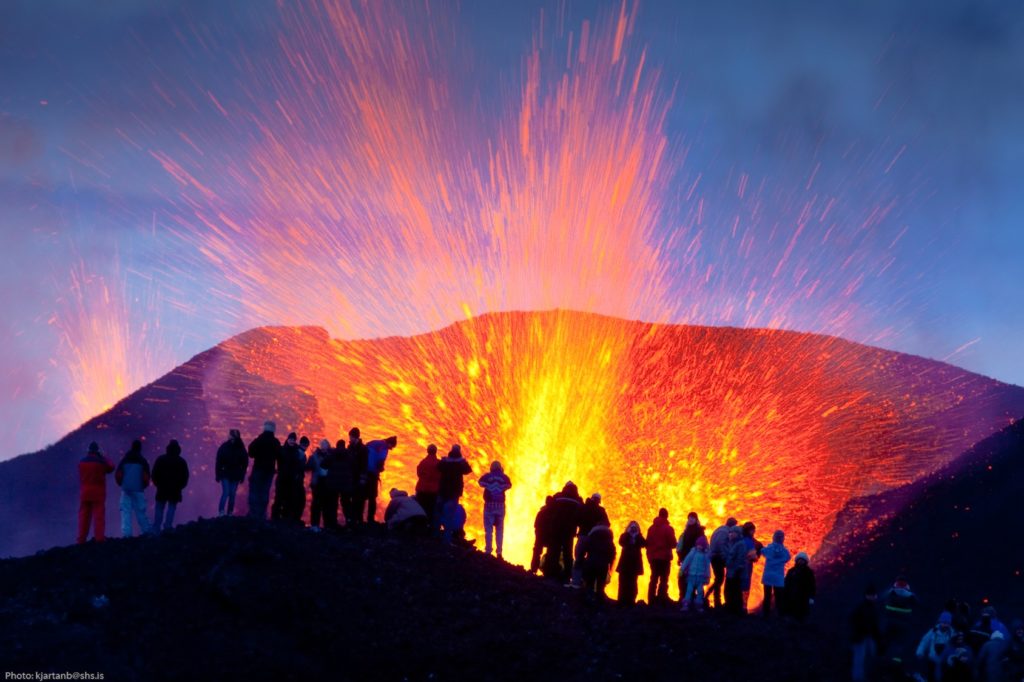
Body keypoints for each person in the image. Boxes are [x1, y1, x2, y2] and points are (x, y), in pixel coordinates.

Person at [77, 441, 114, 543]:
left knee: (84, 517)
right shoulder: (101, 463)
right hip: (98, 493)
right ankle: (99, 539)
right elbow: (111, 467)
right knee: (98, 517)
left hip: (85, 493)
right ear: (98, 451)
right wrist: (103, 456)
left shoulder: (81, 462)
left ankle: (81, 539)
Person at [115, 439, 151, 537]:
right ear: (140, 448)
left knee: (126, 512)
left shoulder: (125, 459)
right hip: (138, 490)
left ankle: (127, 535)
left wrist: (122, 484)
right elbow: (147, 477)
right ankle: (146, 532)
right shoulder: (142, 461)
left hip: (126, 489)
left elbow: (118, 475)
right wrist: (143, 486)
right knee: (141, 511)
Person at [572, 493, 610, 586]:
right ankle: (585, 583)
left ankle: (577, 581)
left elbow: (576, 519)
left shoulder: (584, 507)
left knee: (579, 558)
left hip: (584, 536)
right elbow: (607, 524)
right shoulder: (600, 511)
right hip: (593, 538)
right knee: (588, 560)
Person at [881, 576, 918, 669]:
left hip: (889, 623)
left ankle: (884, 663)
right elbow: (919, 605)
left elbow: (881, 599)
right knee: (901, 644)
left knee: (887, 642)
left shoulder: (891, 591)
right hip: (904, 625)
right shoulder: (910, 595)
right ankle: (897, 664)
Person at [152, 440, 189, 533]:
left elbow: (154, 474)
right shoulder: (181, 462)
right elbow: (185, 476)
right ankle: (167, 526)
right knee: (171, 507)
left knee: (159, 507)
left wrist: (158, 484)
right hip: (175, 490)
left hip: (162, 488)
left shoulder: (161, 459)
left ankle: (157, 527)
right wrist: (180, 486)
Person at [549, 482, 583, 584]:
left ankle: (551, 574)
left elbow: (550, 508)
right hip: (569, 531)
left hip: (556, 529)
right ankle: (567, 576)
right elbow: (581, 515)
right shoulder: (578, 500)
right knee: (568, 554)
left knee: (554, 551)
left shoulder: (558, 496)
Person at [247, 421, 281, 520]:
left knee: (254, 491)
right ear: (274, 429)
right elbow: (280, 456)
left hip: (258, 469)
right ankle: (262, 514)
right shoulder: (276, 442)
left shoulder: (259, 440)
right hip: (269, 471)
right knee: (265, 491)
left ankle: (253, 513)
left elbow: (251, 453)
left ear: (264, 428)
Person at [478, 461, 512, 558]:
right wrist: (500, 487)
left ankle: (488, 550)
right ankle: (499, 552)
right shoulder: (504, 477)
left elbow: (480, 482)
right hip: (500, 506)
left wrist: (489, 486)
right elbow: (509, 485)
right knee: (499, 529)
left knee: (488, 529)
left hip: (489, 505)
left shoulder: (488, 476)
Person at [437, 444, 472, 537]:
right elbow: (468, 470)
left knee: (438, 512)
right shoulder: (460, 463)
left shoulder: (445, 461)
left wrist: (443, 460)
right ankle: (447, 538)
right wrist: (463, 461)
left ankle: (436, 534)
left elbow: (438, 467)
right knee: (450, 515)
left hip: (443, 490)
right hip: (454, 492)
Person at [363, 436, 398, 524]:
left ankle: (359, 518)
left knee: (362, 497)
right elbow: (380, 460)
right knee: (372, 497)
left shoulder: (373, 442)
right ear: (389, 443)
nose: (391, 449)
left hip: (364, 472)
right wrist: (381, 468)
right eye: (392, 447)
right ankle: (370, 519)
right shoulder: (384, 447)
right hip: (372, 474)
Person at [850, 584, 881, 682]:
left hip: (869, 636)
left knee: (870, 657)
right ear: (868, 595)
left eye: (875, 595)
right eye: (873, 595)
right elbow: (853, 620)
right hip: (860, 636)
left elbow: (875, 623)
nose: (875, 597)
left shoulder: (872, 608)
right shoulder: (861, 607)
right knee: (859, 658)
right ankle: (858, 679)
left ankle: (868, 676)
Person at [646, 508, 677, 605]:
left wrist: (650, 556)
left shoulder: (651, 528)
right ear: (667, 516)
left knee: (653, 578)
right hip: (664, 558)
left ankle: (651, 600)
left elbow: (648, 543)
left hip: (653, 558)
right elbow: (673, 543)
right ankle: (661, 598)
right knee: (664, 579)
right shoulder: (668, 528)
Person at [579, 524, 616, 602]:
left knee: (589, 583)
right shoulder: (609, 541)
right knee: (600, 585)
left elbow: (583, 549)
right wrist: (610, 566)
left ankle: (588, 600)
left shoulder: (591, 538)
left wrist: (581, 561)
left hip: (590, 564)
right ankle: (599, 601)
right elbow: (612, 554)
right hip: (602, 566)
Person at [706, 517, 737, 609]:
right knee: (719, 579)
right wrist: (725, 557)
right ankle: (714, 599)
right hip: (718, 558)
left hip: (715, 557)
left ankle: (715, 599)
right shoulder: (724, 532)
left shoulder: (719, 530)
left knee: (719, 579)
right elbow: (721, 546)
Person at [215, 429, 247, 516]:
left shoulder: (227, 447)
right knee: (228, 493)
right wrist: (218, 474)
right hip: (228, 474)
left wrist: (242, 475)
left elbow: (244, 463)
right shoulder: (227, 447)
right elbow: (218, 461)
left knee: (230, 494)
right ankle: (223, 512)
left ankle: (227, 512)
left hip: (232, 474)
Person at [916, 611, 956, 681]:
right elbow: (924, 642)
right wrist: (920, 652)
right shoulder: (933, 632)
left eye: (947, 623)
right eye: (943, 622)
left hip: (945, 663)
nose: (945, 625)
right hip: (932, 661)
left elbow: (955, 646)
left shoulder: (952, 634)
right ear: (940, 622)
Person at [324, 438, 355, 528]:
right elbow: (355, 466)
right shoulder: (349, 454)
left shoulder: (332, 454)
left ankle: (333, 523)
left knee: (333, 503)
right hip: (346, 484)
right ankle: (349, 522)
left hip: (333, 484)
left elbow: (323, 464)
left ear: (337, 445)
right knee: (346, 503)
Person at [675, 512, 706, 600]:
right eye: (689, 518)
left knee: (693, 578)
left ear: (696, 520)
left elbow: (703, 545)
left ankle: (695, 598)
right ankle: (684, 597)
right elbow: (682, 546)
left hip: (695, 558)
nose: (691, 519)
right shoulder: (686, 531)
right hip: (685, 558)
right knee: (682, 577)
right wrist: (680, 558)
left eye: (693, 518)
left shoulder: (699, 531)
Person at [272, 433, 302, 522]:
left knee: (289, 498)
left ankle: (285, 517)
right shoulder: (281, 449)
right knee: (279, 498)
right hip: (281, 478)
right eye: (291, 439)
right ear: (287, 439)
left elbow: (299, 465)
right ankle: (275, 517)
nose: (292, 441)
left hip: (291, 479)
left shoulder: (297, 451)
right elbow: (275, 459)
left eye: (293, 439)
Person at [760, 530, 790, 617]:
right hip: (778, 577)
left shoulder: (768, 549)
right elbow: (788, 558)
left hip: (768, 576)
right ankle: (779, 615)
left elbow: (762, 551)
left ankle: (766, 615)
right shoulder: (785, 552)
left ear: (773, 537)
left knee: (767, 597)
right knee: (779, 597)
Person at [615, 521, 646, 606]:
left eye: (635, 528)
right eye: (631, 527)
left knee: (632, 583)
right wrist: (628, 534)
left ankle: (631, 601)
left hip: (634, 565)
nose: (633, 529)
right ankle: (621, 600)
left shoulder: (639, 537)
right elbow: (621, 542)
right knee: (623, 583)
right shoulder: (624, 536)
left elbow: (644, 544)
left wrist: (638, 535)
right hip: (625, 564)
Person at [679, 535, 712, 612]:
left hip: (700, 577)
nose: (699, 547)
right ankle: (686, 604)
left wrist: (707, 576)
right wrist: (681, 570)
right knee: (689, 590)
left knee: (700, 591)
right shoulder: (692, 553)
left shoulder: (705, 556)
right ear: (696, 545)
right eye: (698, 545)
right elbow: (686, 561)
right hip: (691, 576)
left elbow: (707, 567)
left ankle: (699, 605)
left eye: (701, 545)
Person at [783, 551, 816, 623]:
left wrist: (811, 597)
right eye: (799, 560)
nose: (800, 562)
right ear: (797, 560)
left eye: (802, 560)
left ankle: (800, 628)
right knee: (791, 612)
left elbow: (812, 585)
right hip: (791, 596)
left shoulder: (809, 572)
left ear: (805, 561)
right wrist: (784, 593)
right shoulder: (791, 571)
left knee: (801, 614)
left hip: (803, 597)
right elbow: (786, 582)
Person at [307, 439, 331, 531]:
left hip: (327, 483)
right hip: (317, 483)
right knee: (316, 504)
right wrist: (310, 460)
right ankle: (314, 525)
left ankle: (326, 525)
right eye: (322, 445)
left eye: (325, 445)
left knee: (326, 505)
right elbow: (308, 467)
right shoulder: (315, 456)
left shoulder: (331, 456)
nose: (323, 446)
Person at [415, 444, 441, 525]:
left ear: (428, 451)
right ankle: (430, 528)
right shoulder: (439, 463)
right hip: (434, 491)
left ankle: (421, 527)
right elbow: (441, 477)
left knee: (421, 509)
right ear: (435, 451)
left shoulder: (422, 462)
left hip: (422, 489)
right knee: (431, 510)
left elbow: (419, 473)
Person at [724, 525, 748, 615]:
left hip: (735, 572)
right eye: (730, 532)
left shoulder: (740, 544)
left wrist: (737, 569)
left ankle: (735, 609)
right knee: (730, 590)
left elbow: (740, 558)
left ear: (737, 534)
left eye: (732, 532)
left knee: (734, 591)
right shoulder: (733, 543)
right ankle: (731, 607)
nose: (730, 534)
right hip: (731, 571)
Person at [347, 428, 369, 524]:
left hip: (358, 478)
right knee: (351, 499)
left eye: (351, 437)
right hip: (351, 478)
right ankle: (352, 520)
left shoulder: (363, 449)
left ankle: (358, 520)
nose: (350, 438)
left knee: (359, 500)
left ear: (355, 437)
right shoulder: (350, 448)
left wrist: (362, 478)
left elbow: (364, 465)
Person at [741, 521, 763, 609]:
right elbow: (753, 556)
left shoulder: (740, 539)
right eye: (753, 530)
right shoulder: (749, 541)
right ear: (749, 531)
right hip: (746, 566)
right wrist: (757, 556)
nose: (754, 532)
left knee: (738, 585)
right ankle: (743, 606)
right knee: (745, 585)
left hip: (737, 566)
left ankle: (737, 606)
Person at [531, 496, 556, 576]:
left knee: (537, 552)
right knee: (550, 554)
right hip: (549, 538)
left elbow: (536, 525)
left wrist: (538, 535)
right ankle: (547, 571)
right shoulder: (554, 514)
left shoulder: (541, 512)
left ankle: (534, 569)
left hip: (541, 537)